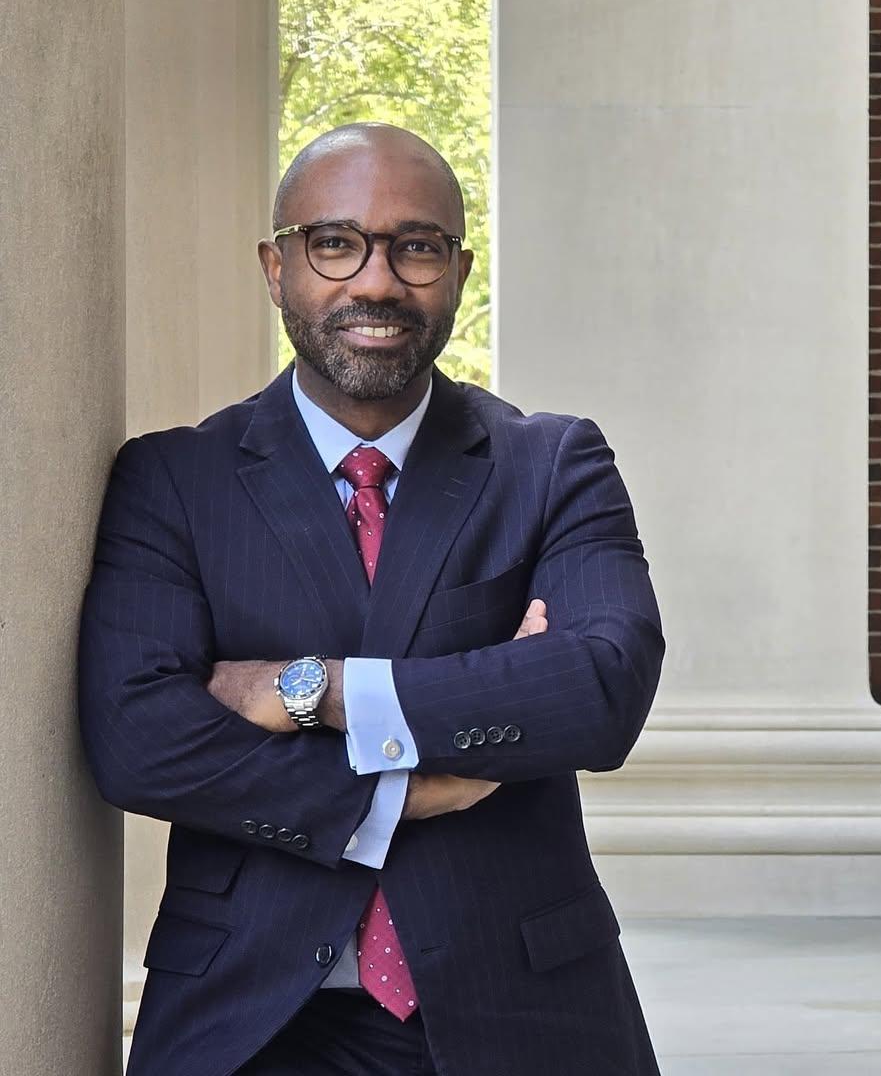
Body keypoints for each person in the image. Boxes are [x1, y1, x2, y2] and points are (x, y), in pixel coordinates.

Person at [78, 123, 665, 1076]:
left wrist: (312, 690)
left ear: (459, 271)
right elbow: (139, 739)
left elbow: (600, 689)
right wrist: (398, 794)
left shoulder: (552, 465)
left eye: (416, 247)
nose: (378, 282)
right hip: (249, 1017)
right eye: (335, 244)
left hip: (526, 1009)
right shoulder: (174, 480)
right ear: (277, 268)